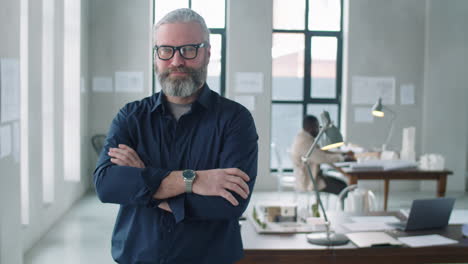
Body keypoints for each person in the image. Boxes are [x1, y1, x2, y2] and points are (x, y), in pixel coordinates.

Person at [93, 8, 258, 264]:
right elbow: (107, 185)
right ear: (156, 56)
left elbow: (229, 204)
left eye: (188, 49)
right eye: (166, 50)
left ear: (207, 53)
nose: (176, 61)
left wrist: (144, 182)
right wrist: (193, 180)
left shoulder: (235, 120)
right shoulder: (131, 117)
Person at [290, 115, 354, 195]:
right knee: (342, 187)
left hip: (314, 176)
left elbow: (321, 152)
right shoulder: (304, 142)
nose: (319, 130)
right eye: (317, 127)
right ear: (310, 127)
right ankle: (342, 207)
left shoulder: (305, 137)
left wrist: (342, 154)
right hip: (309, 181)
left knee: (342, 184)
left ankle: (342, 206)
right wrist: (342, 158)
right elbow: (321, 158)